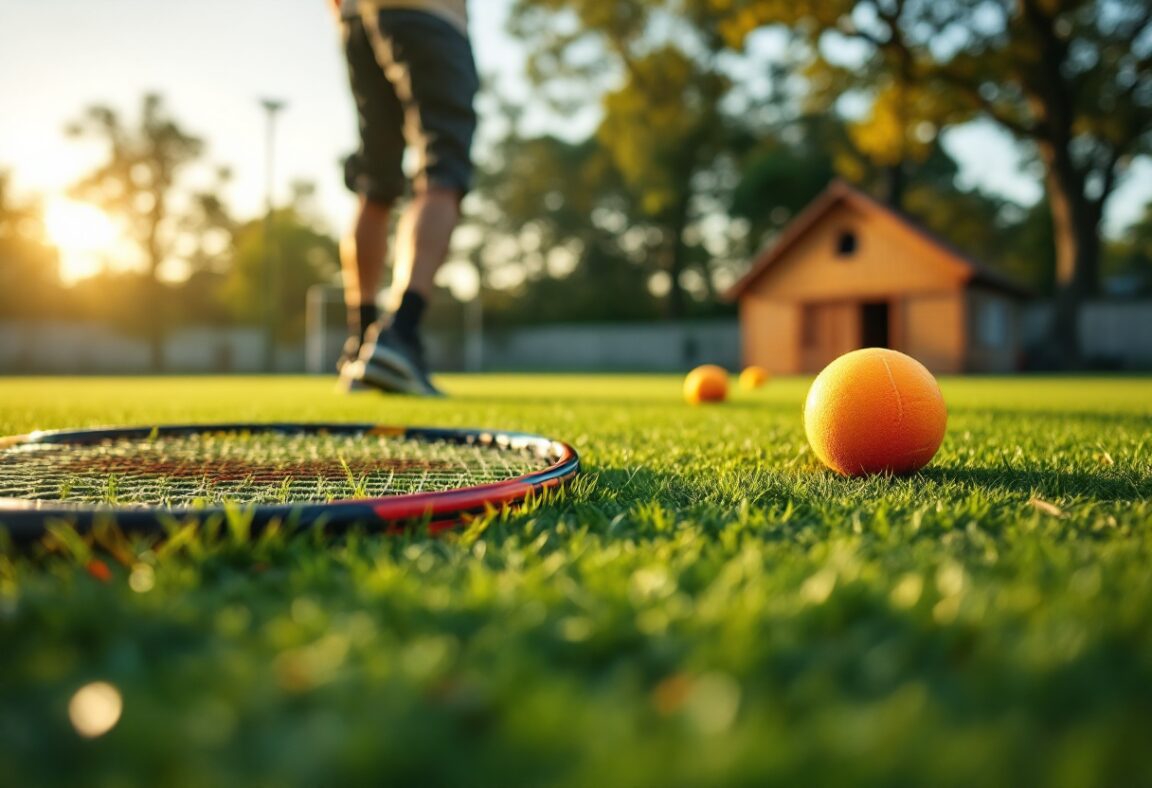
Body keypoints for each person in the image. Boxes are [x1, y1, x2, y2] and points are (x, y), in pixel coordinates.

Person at [332, 0, 477, 396]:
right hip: (428, 13)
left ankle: (362, 345)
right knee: (442, 172)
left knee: (374, 186)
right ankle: (400, 334)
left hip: (354, 17)